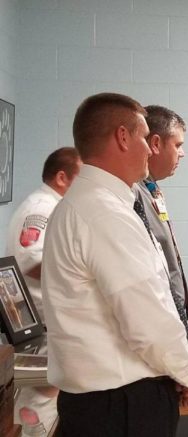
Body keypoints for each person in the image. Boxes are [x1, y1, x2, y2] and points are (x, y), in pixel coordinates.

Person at [42, 93, 188, 437]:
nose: (151, 149)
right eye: (143, 137)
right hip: (120, 406)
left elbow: (164, 290)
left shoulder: (98, 203)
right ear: (122, 137)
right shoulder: (103, 212)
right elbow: (146, 320)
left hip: (108, 403)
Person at [133, 105, 188, 405]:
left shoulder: (152, 191)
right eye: (178, 145)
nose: (183, 153)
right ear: (155, 144)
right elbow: (152, 286)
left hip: (172, 345)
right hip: (148, 363)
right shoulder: (130, 196)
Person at [4, 147, 80, 435]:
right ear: (62, 177)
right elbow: (31, 260)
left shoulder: (52, 206)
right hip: (41, 324)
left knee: (46, 410)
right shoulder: (41, 209)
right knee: (36, 411)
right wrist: (81, 275)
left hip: (48, 322)